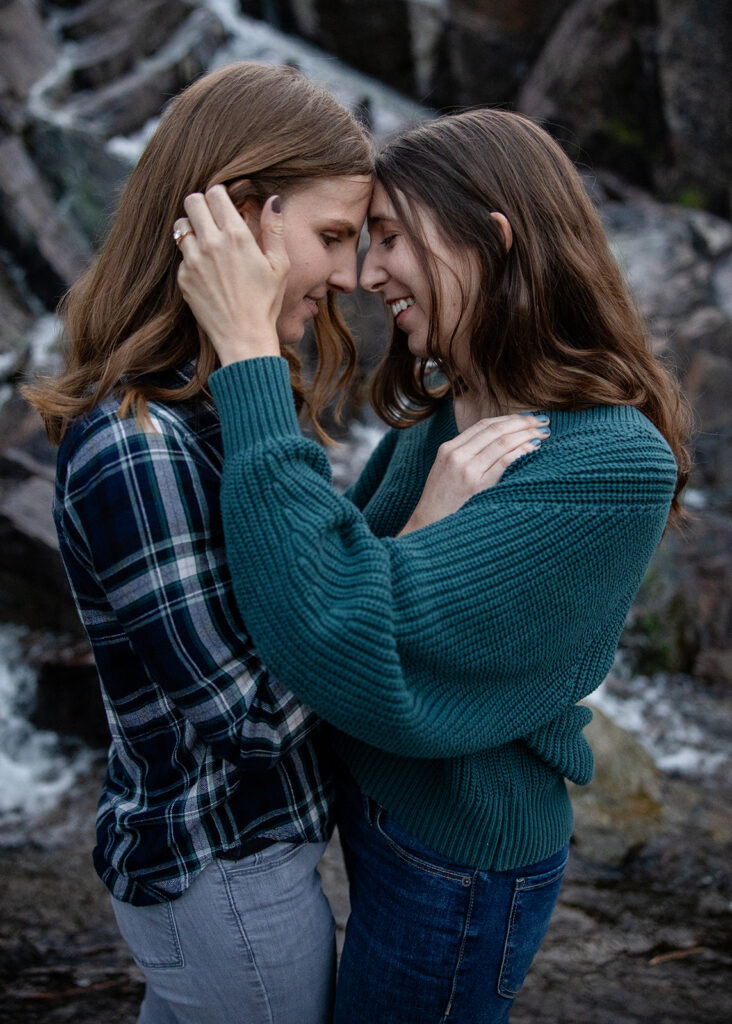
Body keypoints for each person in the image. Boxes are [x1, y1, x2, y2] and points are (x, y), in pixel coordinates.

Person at [23, 66, 546, 1024]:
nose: (352, 279)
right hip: (220, 871)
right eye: (334, 237)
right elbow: (258, 717)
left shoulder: (217, 405)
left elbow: (304, 595)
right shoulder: (137, 445)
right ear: (240, 224)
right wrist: (420, 543)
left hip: (251, 858)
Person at [175, 108, 690, 1023]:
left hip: (460, 862)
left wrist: (249, 357)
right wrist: (418, 525)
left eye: (390, 239)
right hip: (380, 809)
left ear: (491, 239)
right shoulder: (451, 408)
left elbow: (335, 632)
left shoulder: (612, 464)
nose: (365, 277)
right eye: (359, 240)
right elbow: (331, 574)